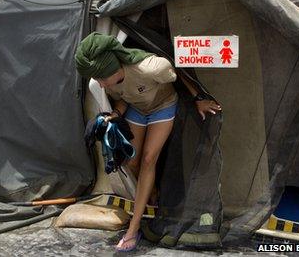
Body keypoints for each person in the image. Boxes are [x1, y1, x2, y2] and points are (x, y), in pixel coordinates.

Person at [75, 32, 221, 252]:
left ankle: (133, 230)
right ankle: (151, 192)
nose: (102, 86)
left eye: (104, 80)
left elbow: (179, 69)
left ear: (114, 69)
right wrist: (114, 113)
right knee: (130, 161)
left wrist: (198, 98)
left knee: (148, 159)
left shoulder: (151, 68)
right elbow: (124, 96)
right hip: (137, 110)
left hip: (163, 107)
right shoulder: (103, 81)